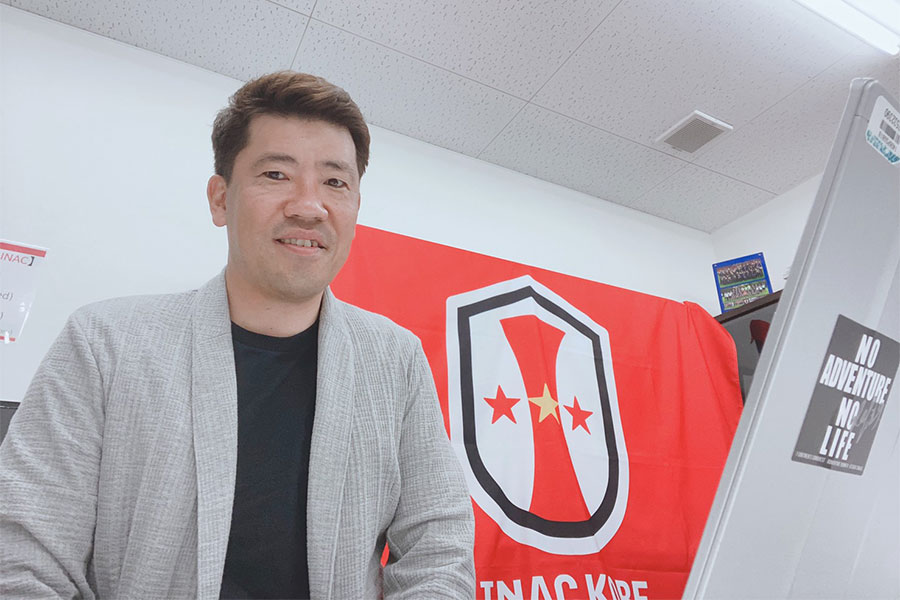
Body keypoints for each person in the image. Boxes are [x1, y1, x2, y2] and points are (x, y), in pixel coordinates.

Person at [0, 71, 475, 599]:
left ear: (355, 209)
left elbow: (440, 550)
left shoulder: (395, 361)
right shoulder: (104, 344)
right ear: (220, 199)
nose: (309, 206)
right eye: (276, 174)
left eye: (335, 183)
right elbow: (23, 558)